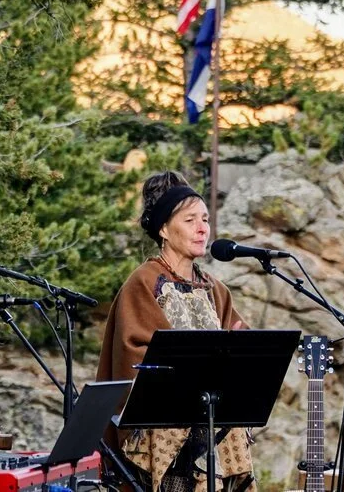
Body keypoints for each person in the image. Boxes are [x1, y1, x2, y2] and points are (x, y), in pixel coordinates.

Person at [96, 170, 256, 492]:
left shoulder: (216, 289)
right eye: (190, 220)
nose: (202, 229)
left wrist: (239, 348)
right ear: (164, 229)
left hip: (212, 421)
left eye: (206, 220)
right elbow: (135, 358)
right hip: (163, 427)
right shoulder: (144, 282)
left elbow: (239, 344)